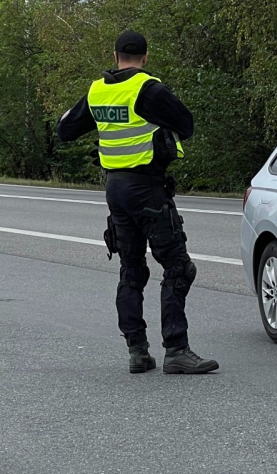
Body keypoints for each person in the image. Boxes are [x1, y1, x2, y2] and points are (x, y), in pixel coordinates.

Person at [57, 30, 219, 374]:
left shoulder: (97, 91)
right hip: (148, 188)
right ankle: (176, 349)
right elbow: (186, 125)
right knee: (178, 268)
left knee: (131, 269)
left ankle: (137, 351)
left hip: (115, 190)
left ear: (114, 55)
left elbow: (65, 129)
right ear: (145, 57)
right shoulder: (149, 89)